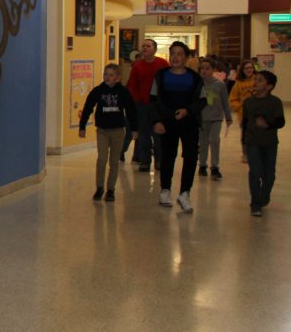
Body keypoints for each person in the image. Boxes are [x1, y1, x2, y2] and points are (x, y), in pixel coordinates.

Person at [151, 41, 205, 212]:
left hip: (189, 123)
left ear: (186, 57)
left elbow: (202, 100)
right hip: (167, 123)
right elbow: (153, 100)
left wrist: (187, 111)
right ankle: (165, 190)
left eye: (180, 54)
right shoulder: (160, 76)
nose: (175, 57)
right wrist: (157, 121)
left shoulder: (195, 78)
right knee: (168, 156)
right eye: (173, 53)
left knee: (190, 157)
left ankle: (184, 193)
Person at [79, 63, 137, 201]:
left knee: (114, 161)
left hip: (118, 131)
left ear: (117, 77)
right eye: (106, 74)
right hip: (102, 131)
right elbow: (88, 107)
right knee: (102, 159)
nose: (107, 77)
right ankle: (99, 187)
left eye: (111, 75)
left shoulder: (123, 91)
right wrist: (82, 126)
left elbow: (131, 110)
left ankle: (111, 189)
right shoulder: (98, 91)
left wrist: (135, 128)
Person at [242, 70, 285, 216]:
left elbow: (281, 122)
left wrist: (268, 124)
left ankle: (264, 196)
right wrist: (243, 143)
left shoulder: (275, 102)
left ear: (269, 86)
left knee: (269, 174)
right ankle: (255, 203)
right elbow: (245, 122)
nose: (256, 82)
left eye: (260, 80)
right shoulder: (248, 101)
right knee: (255, 172)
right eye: (256, 79)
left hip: (270, 143)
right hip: (252, 142)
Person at [124, 38, 169, 171]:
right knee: (143, 135)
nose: (145, 48)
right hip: (142, 105)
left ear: (154, 49)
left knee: (158, 135)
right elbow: (132, 85)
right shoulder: (137, 65)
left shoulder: (162, 64)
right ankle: (145, 161)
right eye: (143, 46)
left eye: (148, 46)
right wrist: (137, 100)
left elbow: (167, 82)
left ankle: (159, 160)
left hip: (158, 106)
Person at [197, 58, 231, 180]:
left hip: (216, 117)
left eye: (207, 68)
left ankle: (215, 166)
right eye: (202, 68)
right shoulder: (197, 84)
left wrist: (228, 117)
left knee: (215, 140)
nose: (204, 71)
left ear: (213, 69)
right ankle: (202, 165)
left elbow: (225, 102)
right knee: (203, 142)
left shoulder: (220, 84)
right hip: (202, 118)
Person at [229, 59, 257, 162]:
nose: (249, 70)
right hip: (244, 114)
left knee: (257, 134)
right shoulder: (238, 83)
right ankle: (245, 154)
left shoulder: (258, 80)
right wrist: (240, 107)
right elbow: (232, 99)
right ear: (242, 70)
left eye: (251, 67)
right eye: (246, 68)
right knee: (245, 135)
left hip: (257, 113)